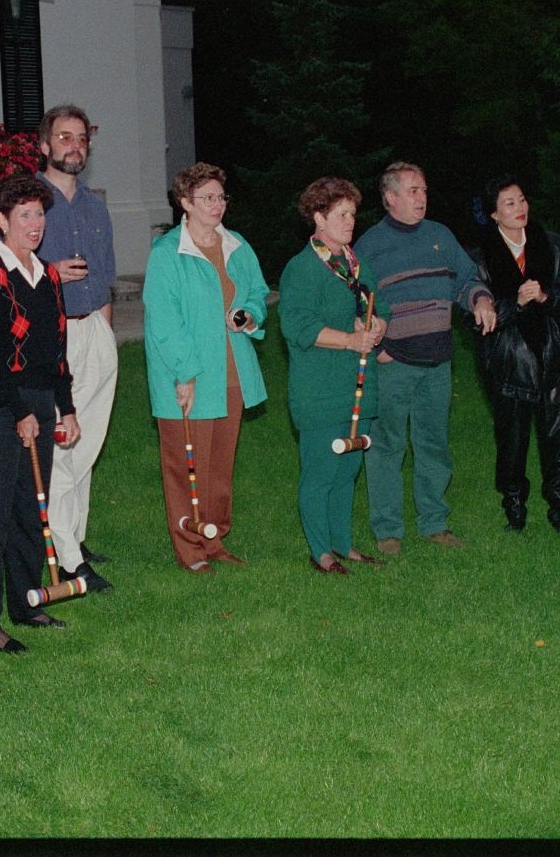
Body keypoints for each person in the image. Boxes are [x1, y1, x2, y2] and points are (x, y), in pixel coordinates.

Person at [0, 173, 81, 652]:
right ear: (1, 220)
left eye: (40, 214)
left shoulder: (47, 276)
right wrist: (16, 411)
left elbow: (55, 347)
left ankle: (27, 602)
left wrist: (64, 406)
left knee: (31, 506)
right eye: (25, 215)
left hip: (36, 401)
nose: (35, 224)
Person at [355, 161, 497, 554]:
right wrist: (378, 348)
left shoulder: (439, 235)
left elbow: (466, 277)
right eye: (413, 190)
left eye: (424, 189)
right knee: (386, 446)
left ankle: (434, 522)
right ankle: (388, 531)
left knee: (433, 444)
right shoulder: (370, 245)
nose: (422, 197)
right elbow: (356, 300)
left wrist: (480, 298)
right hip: (394, 362)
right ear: (390, 198)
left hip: (438, 361)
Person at [142, 163, 269, 572]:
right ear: (185, 203)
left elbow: (257, 292)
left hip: (232, 374)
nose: (217, 205)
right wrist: (186, 372)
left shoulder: (236, 245)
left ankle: (215, 540)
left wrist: (249, 315)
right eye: (207, 198)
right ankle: (190, 549)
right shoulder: (167, 254)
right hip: (187, 377)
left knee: (219, 467)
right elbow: (164, 320)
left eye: (220, 197)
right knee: (186, 467)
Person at [278, 176, 388, 574]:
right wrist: (349, 340)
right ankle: (320, 551)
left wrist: (377, 328)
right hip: (320, 389)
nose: (350, 221)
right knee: (322, 470)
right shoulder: (303, 268)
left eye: (353, 214)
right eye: (341, 214)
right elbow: (299, 327)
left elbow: (380, 306)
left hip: (357, 386)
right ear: (318, 218)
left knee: (348, 471)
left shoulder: (356, 264)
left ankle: (343, 542)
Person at [466, 176, 560, 535]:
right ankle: (514, 508)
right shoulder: (479, 257)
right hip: (508, 363)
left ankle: (559, 506)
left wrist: (547, 297)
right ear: (493, 214)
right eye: (509, 204)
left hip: (553, 357)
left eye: (522, 200)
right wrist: (515, 304)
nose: (520, 209)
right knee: (512, 440)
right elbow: (474, 319)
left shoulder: (551, 244)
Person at [33, 104, 117, 592]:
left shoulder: (94, 206)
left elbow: (104, 276)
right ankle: (66, 557)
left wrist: (104, 337)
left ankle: (75, 536)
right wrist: (51, 274)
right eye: (64, 138)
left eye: (81, 138)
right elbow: (7, 269)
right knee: (64, 443)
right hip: (53, 334)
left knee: (88, 440)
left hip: (95, 331)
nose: (74, 146)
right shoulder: (29, 201)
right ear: (45, 146)